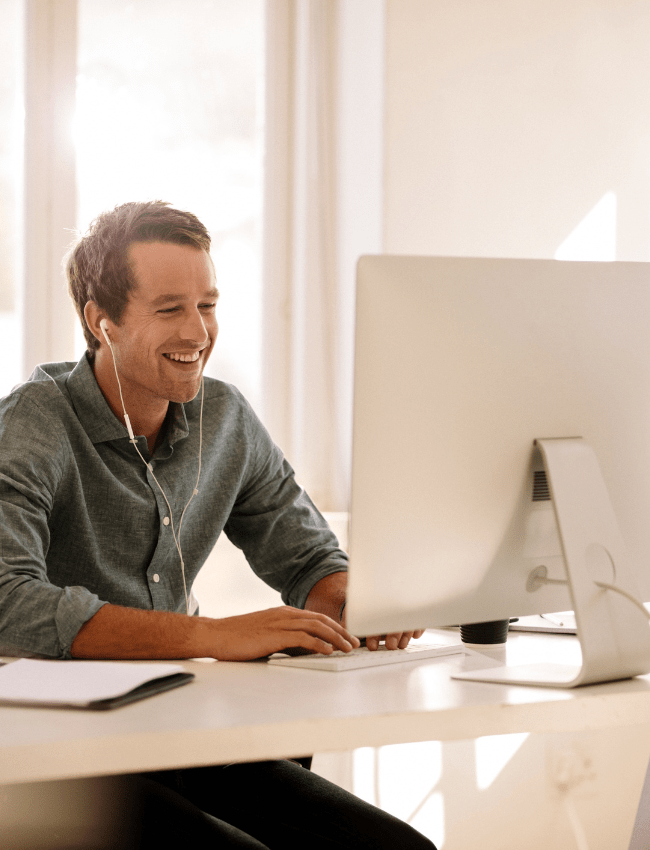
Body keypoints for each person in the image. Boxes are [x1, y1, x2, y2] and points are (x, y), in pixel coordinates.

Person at [0, 201, 435, 849]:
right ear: (102, 321)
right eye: (170, 308)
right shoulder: (33, 424)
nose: (199, 331)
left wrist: (360, 603)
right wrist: (213, 635)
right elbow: (10, 603)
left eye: (207, 304)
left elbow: (309, 560)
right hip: (51, 756)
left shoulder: (225, 417)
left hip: (177, 728)